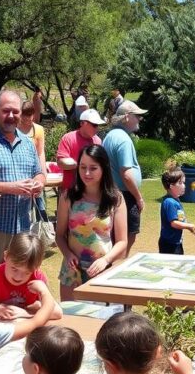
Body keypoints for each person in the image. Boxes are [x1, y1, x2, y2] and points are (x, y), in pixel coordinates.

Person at [0, 90, 46, 267]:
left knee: (18, 282)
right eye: (5, 111)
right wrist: (10, 188)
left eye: (15, 111)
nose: (11, 116)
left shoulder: (27, 143)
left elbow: (39, 172)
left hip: (22, 227)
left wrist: (39, 183)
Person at [55, 145, 128, 301]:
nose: (86, 173)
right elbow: (59, 235)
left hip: (103, 271)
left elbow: (122, 242)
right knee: (71, 320)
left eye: (93, 168)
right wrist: (68, 255)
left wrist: (105, 260)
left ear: (104, 168)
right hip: (72, 273)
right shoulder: (68, 197)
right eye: (82, 167)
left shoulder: (116, 199)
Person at [0, 233, 63, 321]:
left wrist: (26, 313)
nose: (18, 277)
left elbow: (57, 312)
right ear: (6, 256)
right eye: (14, 268)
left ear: (37, 267)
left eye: (27, 273)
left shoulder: (37, 278)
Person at [103, 100, 147, 256]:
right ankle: (118, 265)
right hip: (125, 195)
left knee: (117, 236)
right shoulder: (123, 140)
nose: (140, 119)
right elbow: (126, 174)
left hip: (114, 193)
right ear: (127, 117)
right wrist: (139, 198)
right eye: (137, 116)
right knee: (126, 236)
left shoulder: (111, 135)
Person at [56, 109, 105, 192]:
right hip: (71, 191)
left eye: (97, 125)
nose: (97, 128)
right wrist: (82, 166)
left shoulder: (98, 141)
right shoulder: (68, 138)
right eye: (94, 125)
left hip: (92, 191)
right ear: (82, 123)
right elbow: (61, 162)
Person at [159, 167, 195, 255]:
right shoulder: (170, 202)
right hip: (169, 244)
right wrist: (188, 226)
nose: (184, 185)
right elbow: (174, 223)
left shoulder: (175, 200)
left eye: (183, 182)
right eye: (180, 183)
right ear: (171, 186)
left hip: (175, 242)